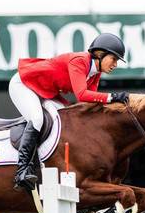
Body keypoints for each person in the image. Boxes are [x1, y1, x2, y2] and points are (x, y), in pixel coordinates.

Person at [10, 33, 129, 191]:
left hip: (46, 91)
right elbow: (82, 95)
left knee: (67, 119)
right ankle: (22, 171)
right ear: (100, 54)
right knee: (37, 119)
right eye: (114, 59)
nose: (115, 64)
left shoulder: (95, 72)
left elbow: (88, 102)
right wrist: (112, 97)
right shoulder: (79, 61)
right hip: (24, 84)